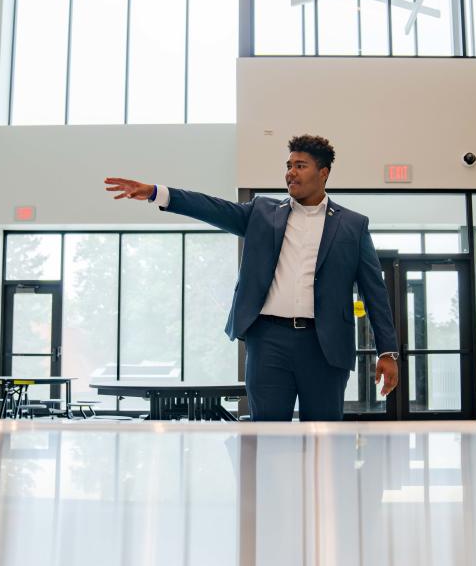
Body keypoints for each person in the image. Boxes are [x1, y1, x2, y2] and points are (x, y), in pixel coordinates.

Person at [105, 134, 399, 421]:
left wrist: (386, 351)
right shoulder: (262, 212)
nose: (290, 173)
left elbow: (375, 292)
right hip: (269, 342)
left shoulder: (353, 225)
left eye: (300, 166)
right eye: (288, 165)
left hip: (325, 347)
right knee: (267, 440)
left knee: (322, 443)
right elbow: (212, 207)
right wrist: (159, 192)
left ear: (323, 173)